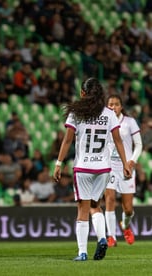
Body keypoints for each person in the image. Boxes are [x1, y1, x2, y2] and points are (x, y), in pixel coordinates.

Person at [53, 77, 132, 262]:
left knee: (82, 209)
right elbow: (118, 141)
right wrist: (125, 163)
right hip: (104, 168)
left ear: (82, 93)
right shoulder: (109, 114)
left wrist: (58, 163)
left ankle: (82, 252)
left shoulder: (76, 114)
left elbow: (67, 141)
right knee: (96, 206)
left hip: (83, 168)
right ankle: (103, 238)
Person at [104, 94, 142, 247]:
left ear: (121, 107)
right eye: (110, 104)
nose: (113, 107)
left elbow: (138, 145)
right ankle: (111, 236)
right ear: (107, 106)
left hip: (126, 168)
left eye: (116, 104)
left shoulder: (129, 122)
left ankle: (125, 226)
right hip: (110, 167)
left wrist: (132, 161)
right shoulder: (104, 122)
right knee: (110, 199)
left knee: (128, 209)